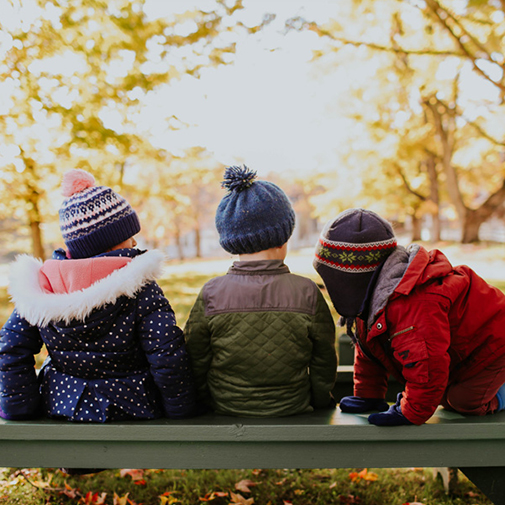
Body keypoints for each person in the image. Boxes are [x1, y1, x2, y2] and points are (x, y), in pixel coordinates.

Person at [0, 169, 195, 422]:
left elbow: (11, 348)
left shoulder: (41, 288)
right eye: (128, 236)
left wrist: (19, 409)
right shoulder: (139, 287)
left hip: (63, 403)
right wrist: (182, 410)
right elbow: (166, 352)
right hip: (132, 405)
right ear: (110, 243)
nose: (134, 242)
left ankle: (75, 462)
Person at [313, 208, 505, 426]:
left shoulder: (413, 304)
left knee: (461, 399)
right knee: (446, 390)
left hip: (494, 346)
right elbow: (369, 349)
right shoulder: (371, 301)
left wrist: (411, 411)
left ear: (349, 281)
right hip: (462, 353)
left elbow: (428, 366)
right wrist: (368, 395)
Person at [184, 165, 337, 417]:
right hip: (293, 408)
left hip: (226, 408)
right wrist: (320, 401)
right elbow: (324, 360)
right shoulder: (307, 291)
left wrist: (204, 400)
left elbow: (195, 359)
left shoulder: (211, 292)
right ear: (284, 237)